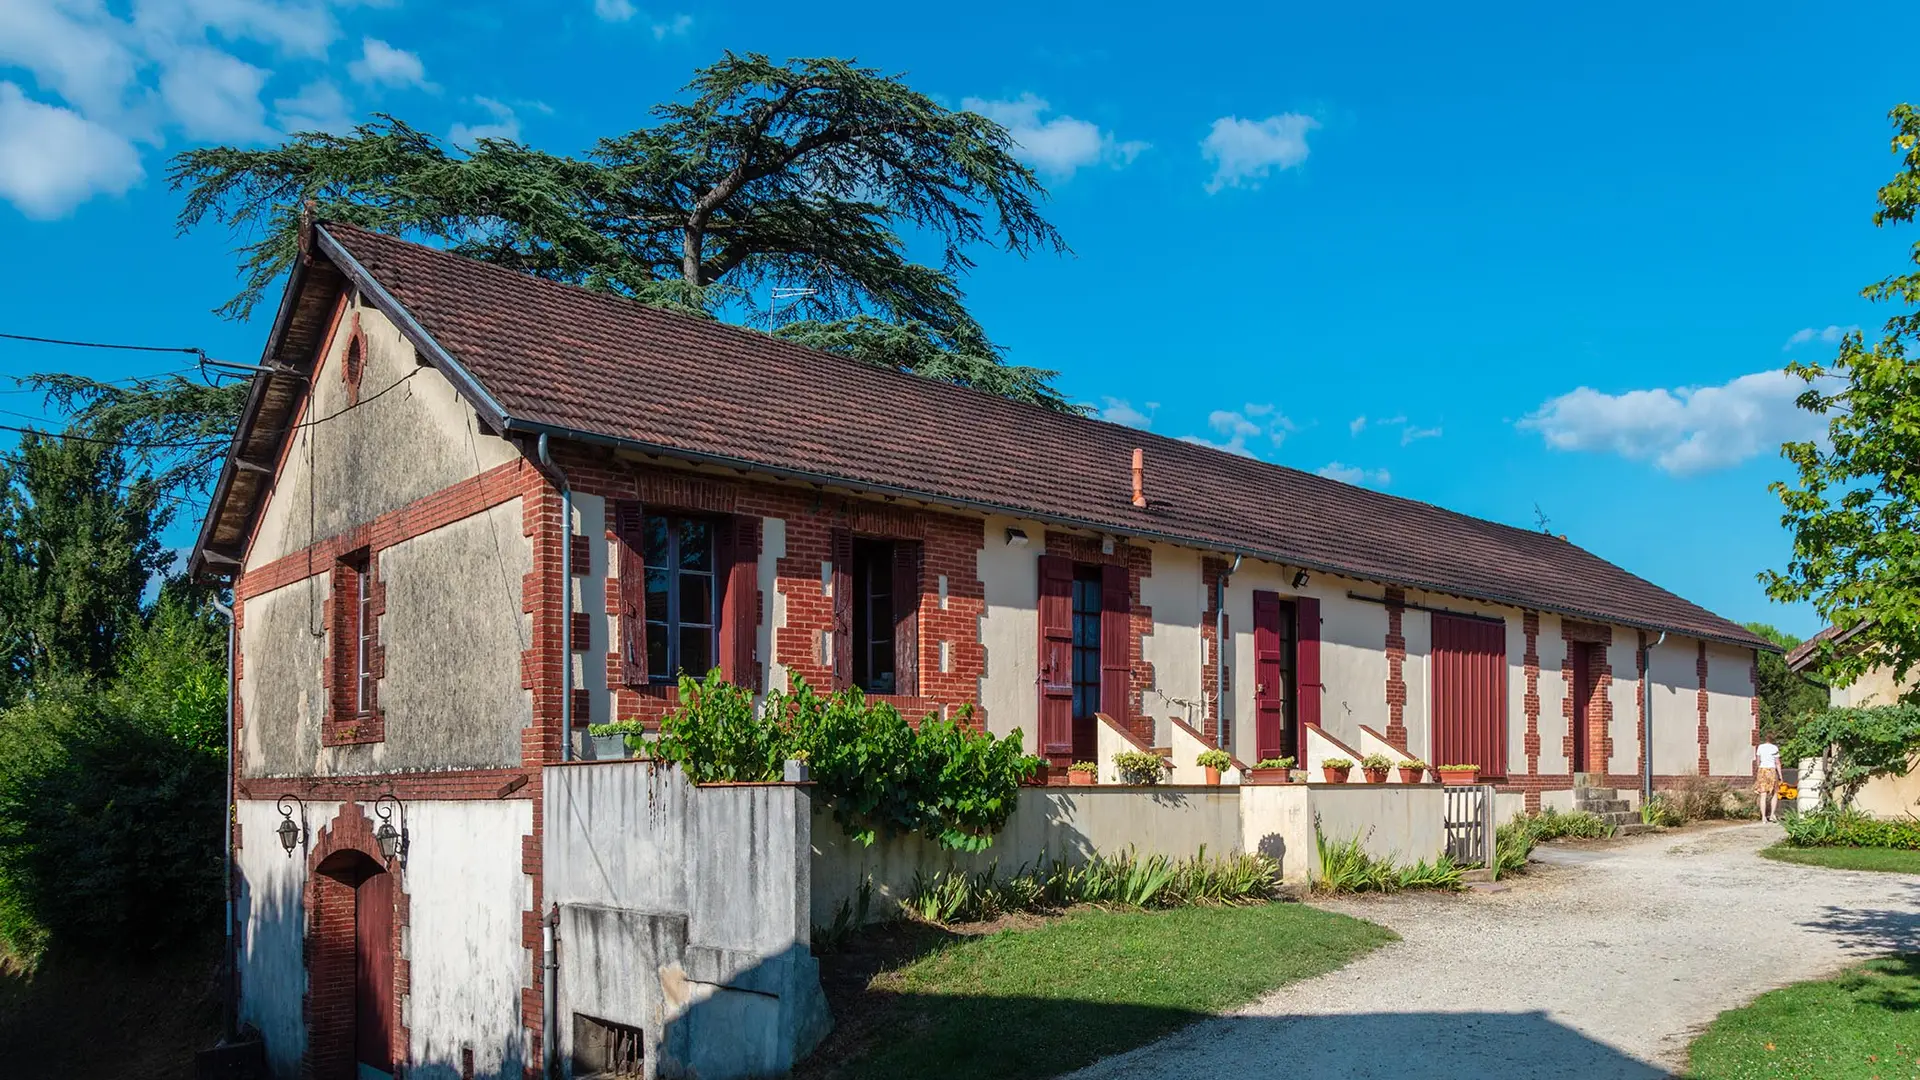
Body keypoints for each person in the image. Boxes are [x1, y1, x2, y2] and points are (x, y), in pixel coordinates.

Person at [1754, 736, 1782, 823]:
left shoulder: (1760, 747)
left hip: (1762, 770)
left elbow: (1758, 761)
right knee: (1774, 793)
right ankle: (1772, 815)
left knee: (1763, 794)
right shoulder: (1774, 748)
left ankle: (1763, 817)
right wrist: (1780, 775)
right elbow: (1777, 762)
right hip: (1771, 770)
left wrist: (1759, 771)